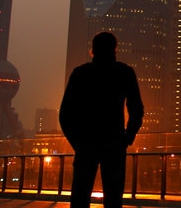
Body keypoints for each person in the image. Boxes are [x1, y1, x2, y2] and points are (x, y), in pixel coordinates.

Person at [60, 31, 144, 208]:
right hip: (114, 143)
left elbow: (65, 114)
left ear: (93, 49)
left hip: (86, 142)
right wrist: (128, 137)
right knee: (113, 198)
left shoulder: (80, 74)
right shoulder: (125, 73)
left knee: (80, 197)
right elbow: (137, 110)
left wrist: (77, 142)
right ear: (115, 49)